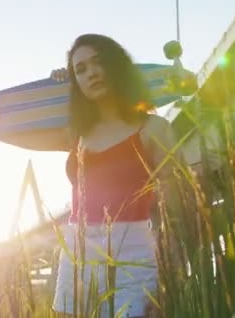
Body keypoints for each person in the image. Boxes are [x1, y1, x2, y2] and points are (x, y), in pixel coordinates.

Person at [50, 33, 184, 318]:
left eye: (98, 62)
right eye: (81, 70)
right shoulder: (77, 134)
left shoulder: (154, 129)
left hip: (132, 251)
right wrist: (53, 90)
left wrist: (168, 282)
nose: (92, 73)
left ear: (116, 65)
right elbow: (9, 133)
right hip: (76, 250)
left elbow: (178, 214)